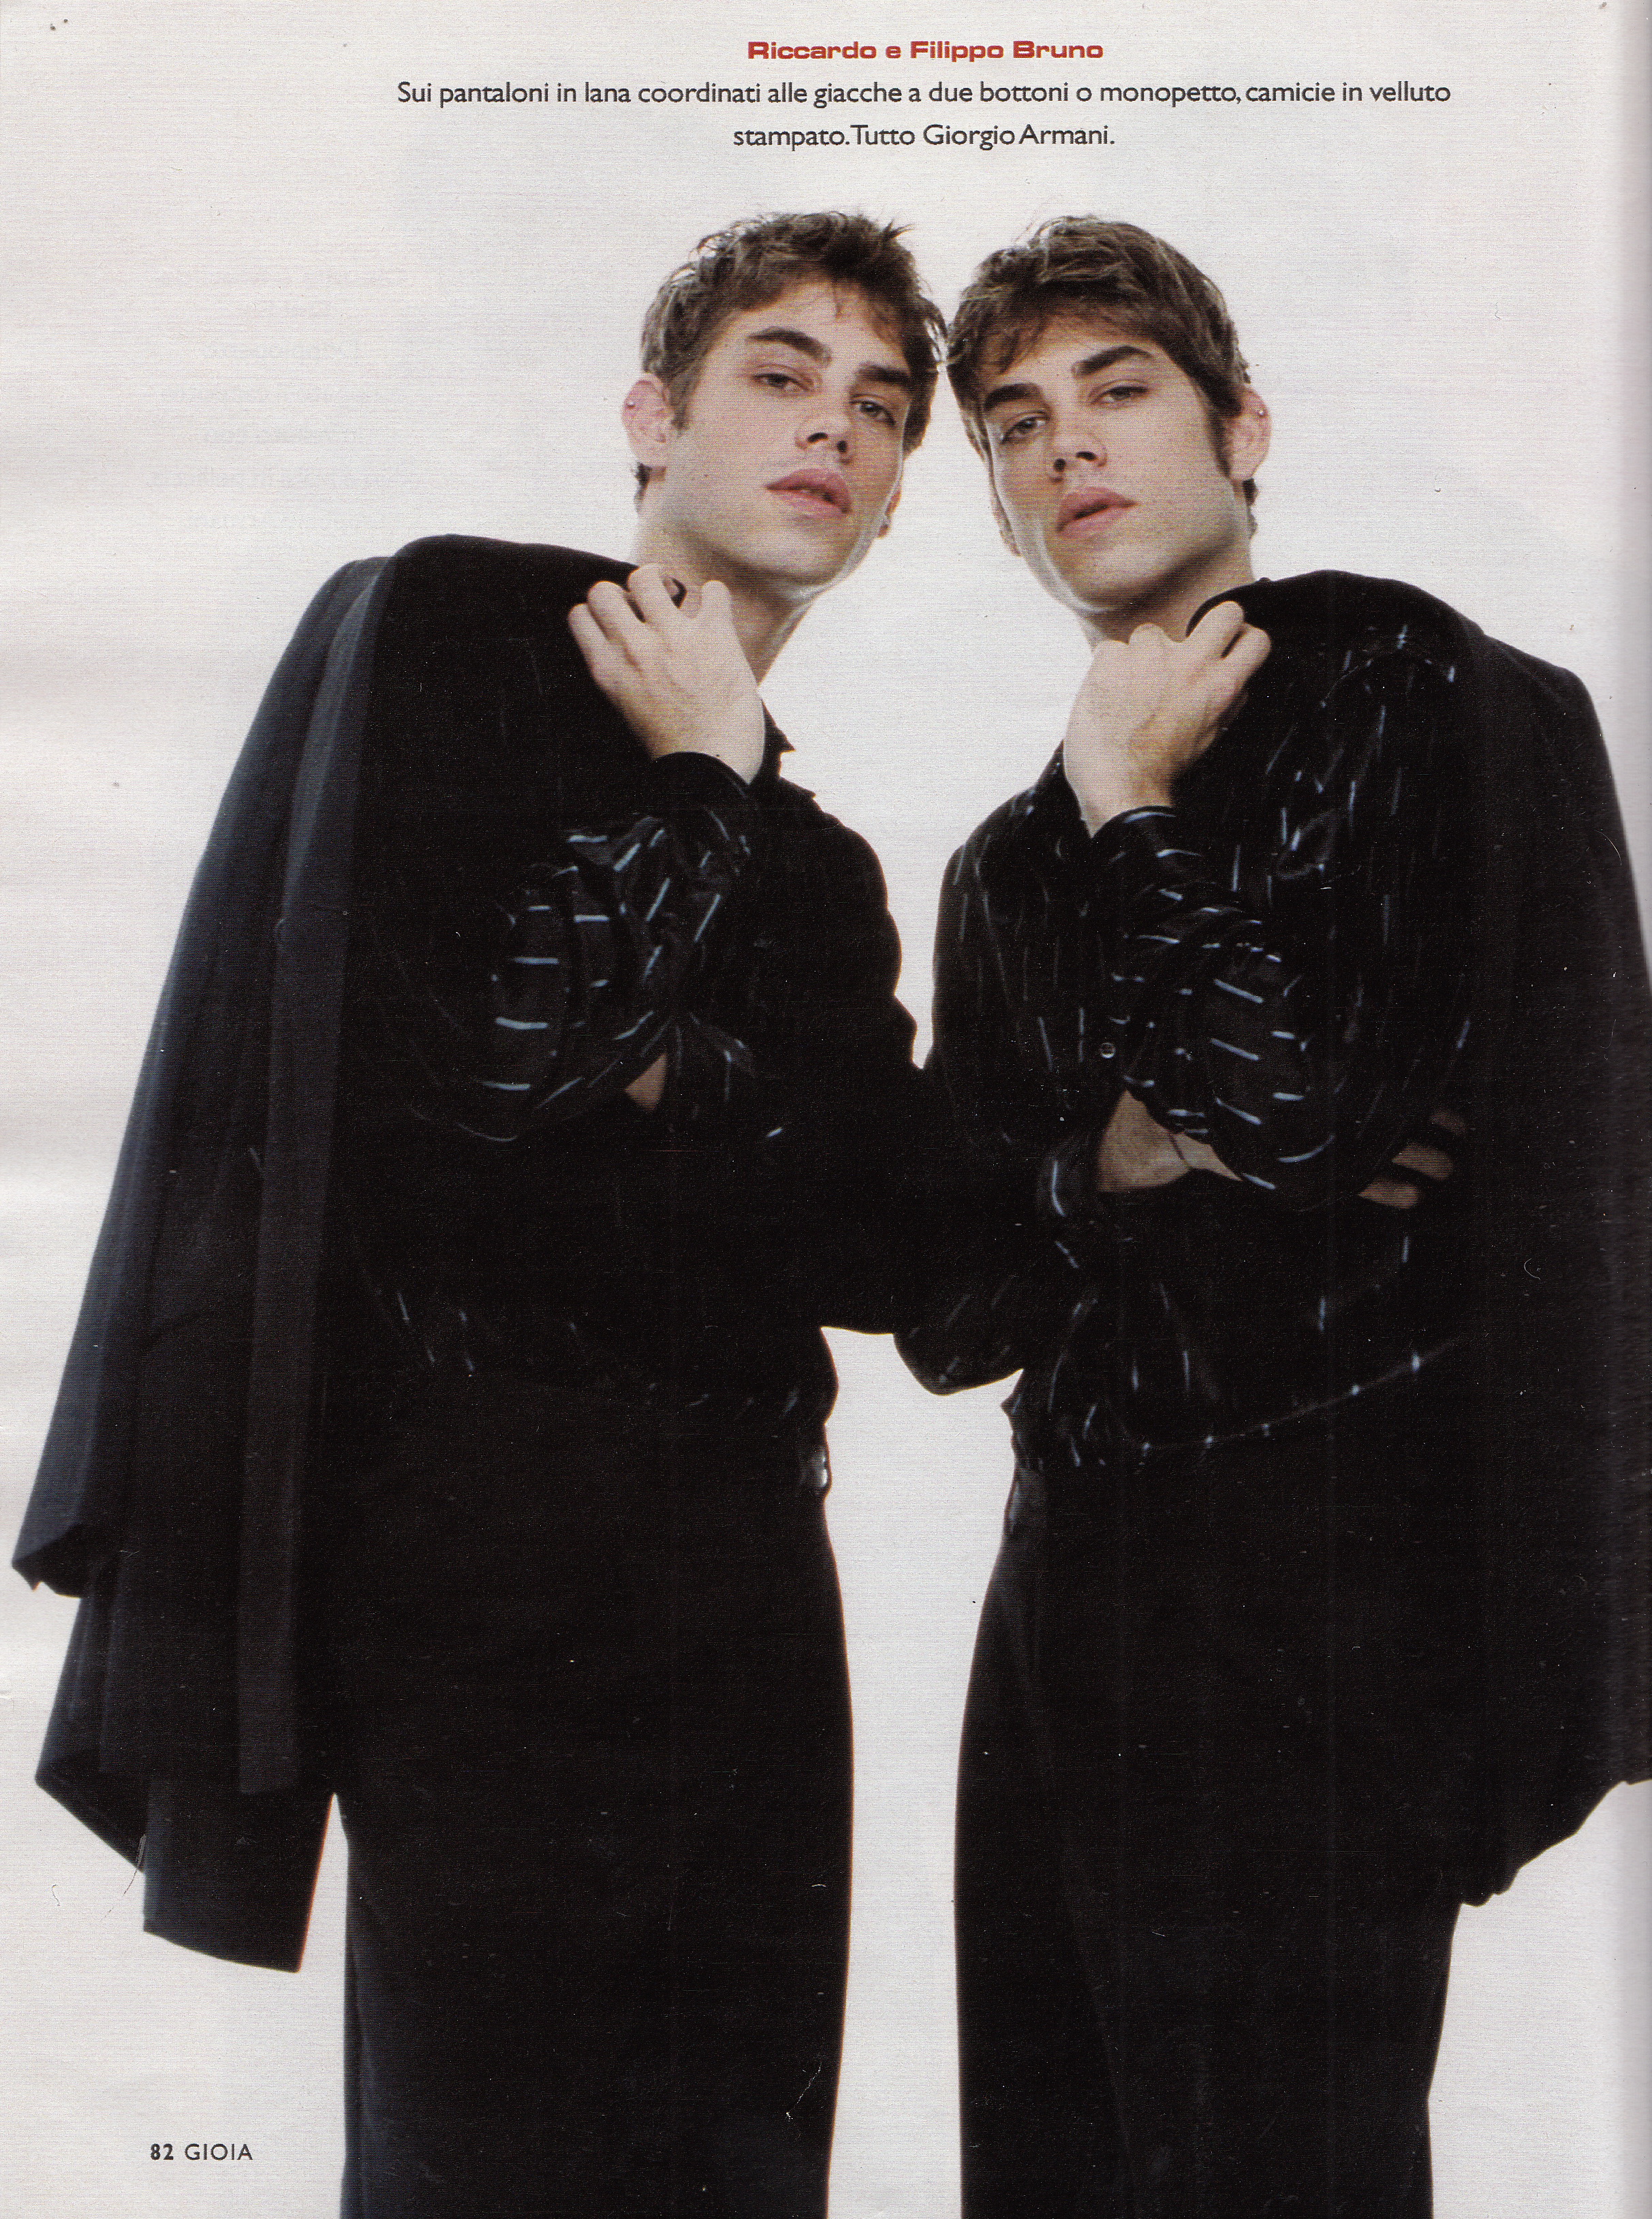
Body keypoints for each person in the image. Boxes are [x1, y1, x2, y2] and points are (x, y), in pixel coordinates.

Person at [15, 211, 950, 2218]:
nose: (834, 428)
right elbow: (507, 1058)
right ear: (651, 415)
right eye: (780, 374)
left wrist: (685, 1059)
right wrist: (702, 786)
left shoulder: (824, 868)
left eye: (882, 409)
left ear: (892, 500)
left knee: (739, 2173)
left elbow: (888, 1249)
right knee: (485, 2164)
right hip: (480, 1555)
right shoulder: (453, 630)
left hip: (751, 1570)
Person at [899, 218, 1651, 2216]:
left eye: (1118, 389)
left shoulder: (1400, 685)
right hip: (1062, 1576)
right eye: (1013, 422)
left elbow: (1291, 1112)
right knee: (1052, 2172)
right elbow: (946, 1305)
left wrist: (1140, 812)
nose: (1066, 446)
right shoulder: (1004, 859)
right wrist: (1112, 1161)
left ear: (1242, 428)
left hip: (1316, 1562)